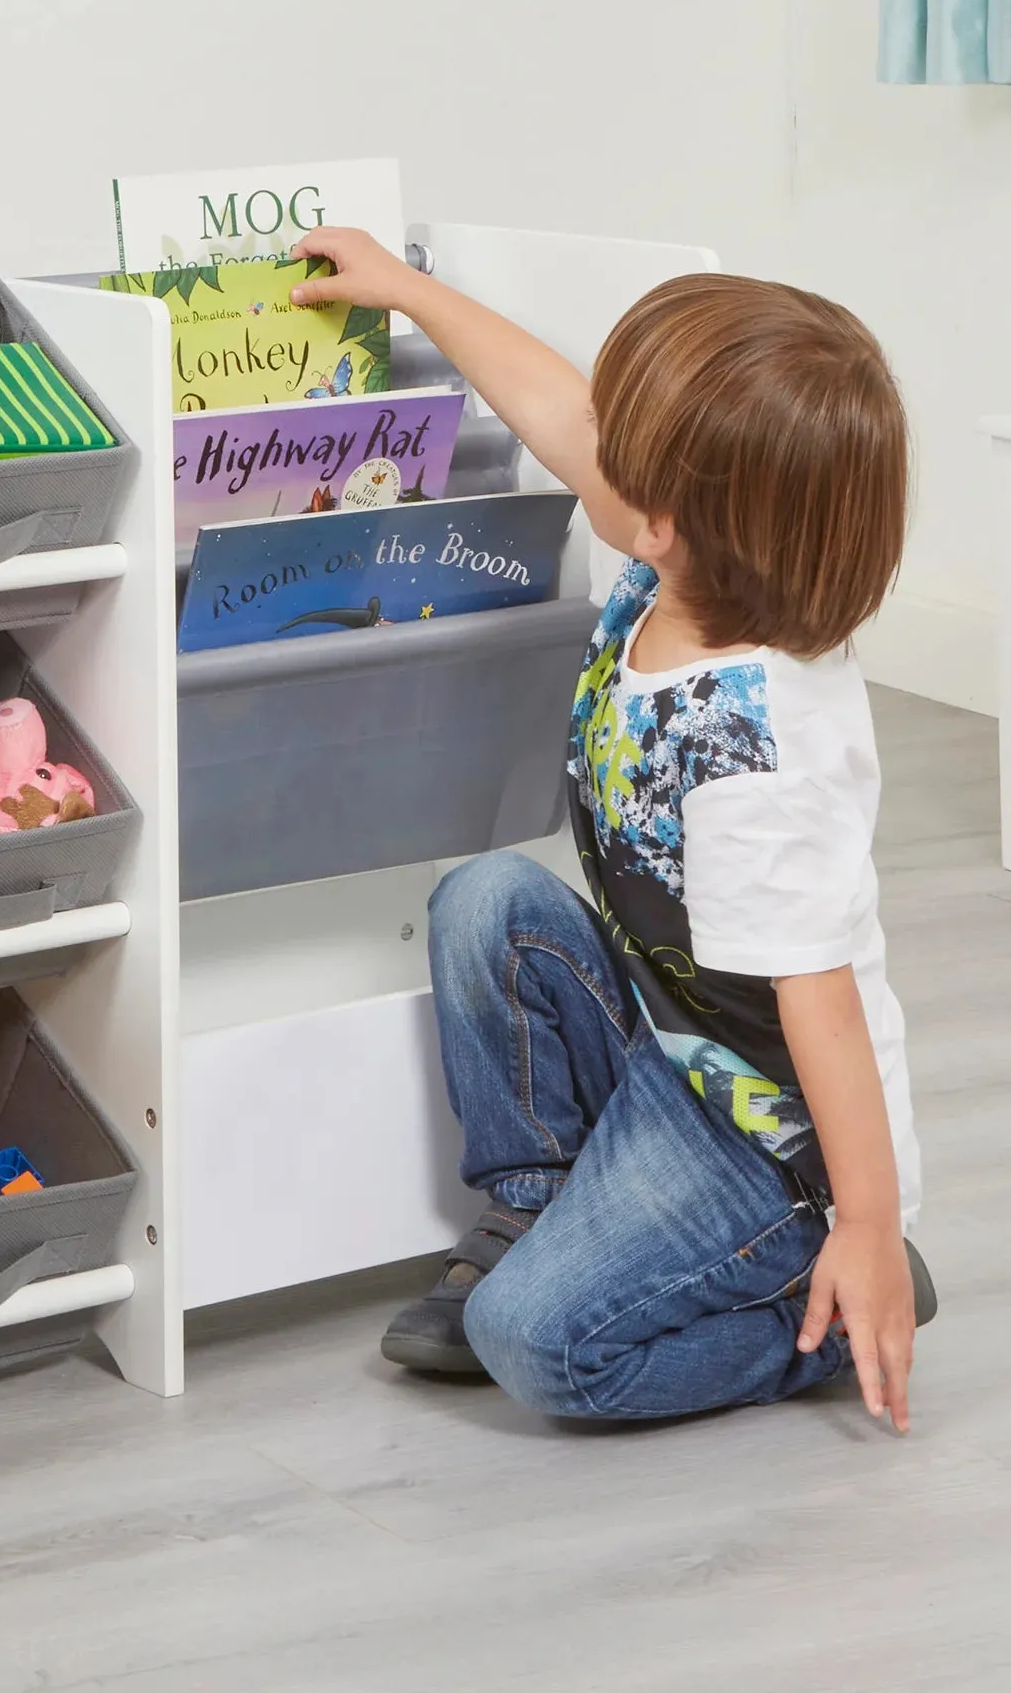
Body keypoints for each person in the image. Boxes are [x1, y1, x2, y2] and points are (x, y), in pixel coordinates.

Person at [291, 230, 933, 1431]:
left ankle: (819, 1311)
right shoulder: (679, 573)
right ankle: (539, 1200)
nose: (605, 450)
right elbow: (558, 407)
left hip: (771, 1144)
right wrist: (406, 289)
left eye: (632, 452)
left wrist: (868, 1225)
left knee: (534, 1345)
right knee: (487, 897)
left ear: (667, 519)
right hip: (667, 1043)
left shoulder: (755, 757)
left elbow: (822, 1006)